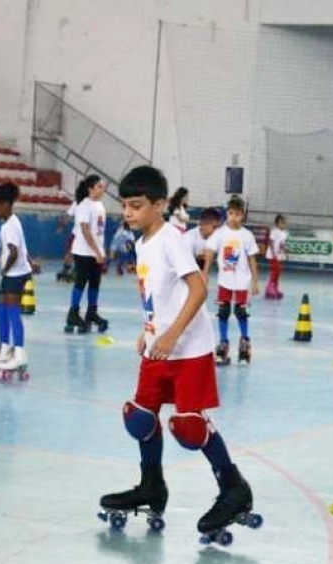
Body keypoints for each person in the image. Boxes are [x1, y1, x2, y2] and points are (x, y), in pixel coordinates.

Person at [98, 165, 261, 544]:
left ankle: (234, 488)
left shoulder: (171, 239)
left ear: (159, 205)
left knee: (189, 426)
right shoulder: (142, 244)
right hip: (159, 345)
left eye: (136, 205)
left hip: (189, 350)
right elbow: (159, 295)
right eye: (124, 205)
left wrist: (172, 334)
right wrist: (149, 330)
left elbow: (198, 289)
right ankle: (151, 486)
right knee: (140, 418)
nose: (128, 212)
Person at [0, 183, 33, 380]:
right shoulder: (9, 223)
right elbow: (22, 250)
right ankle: (4, 347)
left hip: (15, 275)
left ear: (5, 204)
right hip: (12, 274)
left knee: (12, 311)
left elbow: (14, 251)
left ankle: (19, 351)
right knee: (0, 308)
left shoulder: (11, 225)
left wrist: (5, 269)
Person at [202, 196, 260, 365]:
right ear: (227, 213)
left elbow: (252, 259)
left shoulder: (247, 235)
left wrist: (255, 281)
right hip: (224, 280)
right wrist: (205, 272)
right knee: (223, 311)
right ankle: (223, 344)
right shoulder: (220, 233)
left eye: (237, 214)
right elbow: (210, 252)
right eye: (230, 213)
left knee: (241, 313)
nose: (233, 217)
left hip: (242, 281)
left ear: (243, 215)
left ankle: (244, 346)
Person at [65, 174, 108, 334]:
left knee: (95, 284)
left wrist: (101, 251)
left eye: (103, 187)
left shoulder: (100, 206)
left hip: (96, 252)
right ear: (90, 189)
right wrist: (96, 251)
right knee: (81, 283)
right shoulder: (84, 205)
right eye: (99, 187)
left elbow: (99, 232)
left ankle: (91, 312)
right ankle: (73, 313)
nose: (102, 190)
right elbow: (85, 230)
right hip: (83, 252)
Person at [264, 214, 288, 300]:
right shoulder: (275, 231)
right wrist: (273, 253)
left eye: (284, 223)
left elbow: (282, 243)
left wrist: (284, 251)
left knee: (278, 272)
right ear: (277, 223)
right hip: (273, 254)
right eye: (282, 223)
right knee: (274, 272)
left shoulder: (284, 233)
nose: (284, 224)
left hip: (279, 255)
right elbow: (271, 242)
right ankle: (270, 289)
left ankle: (275, 288)